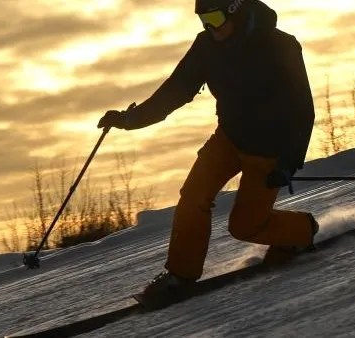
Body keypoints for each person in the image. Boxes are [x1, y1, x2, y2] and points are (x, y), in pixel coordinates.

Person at [98, 0, 318, 306]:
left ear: (235, 11)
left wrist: (289, 160)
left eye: (213, 18)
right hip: (228, 139)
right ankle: (180, 276)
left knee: (244, 226)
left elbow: (302, 109)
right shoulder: (208, 46)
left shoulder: (279, 46)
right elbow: (176, 90)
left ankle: (301, 230)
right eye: (203, 20)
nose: (209, 27)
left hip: (268, 148)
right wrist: (128, 120)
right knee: (192, 197)